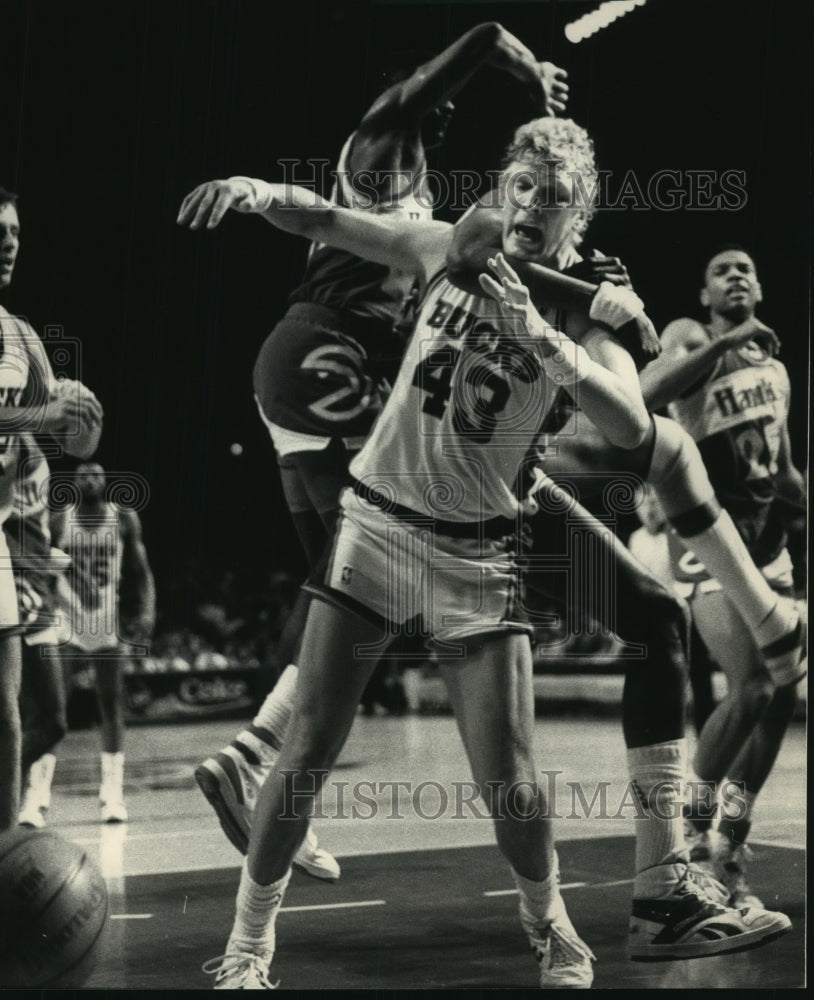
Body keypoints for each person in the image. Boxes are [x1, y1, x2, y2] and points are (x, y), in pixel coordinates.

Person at [182, 118, 791, 989]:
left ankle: (592, 914)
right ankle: (247, 941)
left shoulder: (591, 301)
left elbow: (630, 426)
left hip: (489, 532)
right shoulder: (452, 245)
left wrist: (546, 331)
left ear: (580, 219)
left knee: (534, 755)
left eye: (556, 200)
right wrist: (260, 193)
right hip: (391, 515)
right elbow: (333, 224)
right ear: (504, 188)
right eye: (522, 187)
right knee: (313, 740)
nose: (533, 206)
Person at [182, 22, 568, 881]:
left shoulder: (422, 199)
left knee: (343, 586)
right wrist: (520, 61)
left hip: (303, 372)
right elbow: (467, 48)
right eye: (437, 96)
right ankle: (254, 758)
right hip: (325, 354)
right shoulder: (382, 145)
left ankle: (253, 758)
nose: (447, 108)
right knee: (379, 566)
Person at [638, 246, 806, 907]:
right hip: (708, 542)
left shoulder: (778, 370)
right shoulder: (690, 335)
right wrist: (728, 340)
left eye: (746, 269)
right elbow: (647, 395)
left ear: (761, 287)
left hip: (769, 551)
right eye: (721, 271)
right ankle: (689, 827)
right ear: (707, 295)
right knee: (754, 685)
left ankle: (732, 829)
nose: (736, 276)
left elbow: (785, 472)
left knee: (783, 694)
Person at [0, 186, 103, 831]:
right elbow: (39, 415)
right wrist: (46, 412)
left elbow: (67, 438)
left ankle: (5, 850)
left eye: (14, 230)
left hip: (7, 543)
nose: (9, 241)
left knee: (14, 712)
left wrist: (83, 420)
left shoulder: (19, 334)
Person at [27, 461, 156, 823]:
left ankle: (111, 795)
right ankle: (36, 797)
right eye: (84, 475)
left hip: (106, 621)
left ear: (105, 481)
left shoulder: (123, 517)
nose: (90, 479)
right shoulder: (59, 518)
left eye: (96, 474)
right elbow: (41, 564)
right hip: (66, 620)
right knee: (53, 707)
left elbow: (141, 571)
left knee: (111, 704)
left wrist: (147, 611)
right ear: (74, 482)